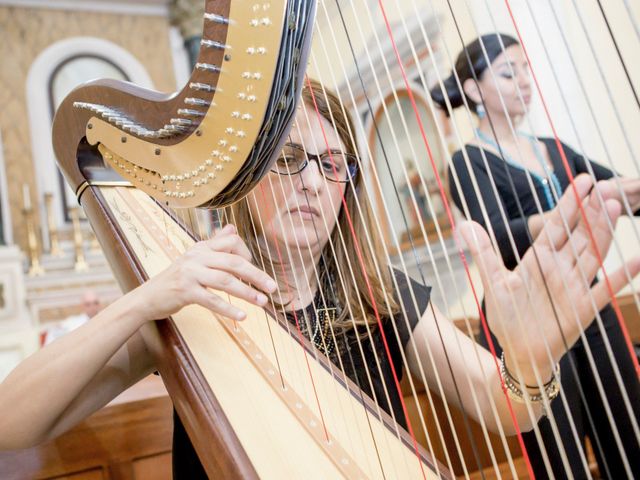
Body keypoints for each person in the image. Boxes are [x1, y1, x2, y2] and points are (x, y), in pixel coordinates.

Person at [0, 79, 636, 479]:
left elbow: (505, 410)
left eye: (333, 165)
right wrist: (142, 302)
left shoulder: (382, 298)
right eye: (287, 159)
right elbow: (10, 425)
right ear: (239, 181)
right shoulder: (189, 307)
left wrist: (527, 360)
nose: (311, 182)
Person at [431, 33, 640, 479]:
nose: (525, 81)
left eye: (526, 69)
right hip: (527, 321)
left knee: (629, 436)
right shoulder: (468, 161)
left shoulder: (553, 148)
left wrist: (617, 193)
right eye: (509, 72)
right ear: (473, 90)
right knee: (559, 457)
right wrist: (568, 213)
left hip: (590, 307)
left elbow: (620, 192)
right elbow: (495, 238)